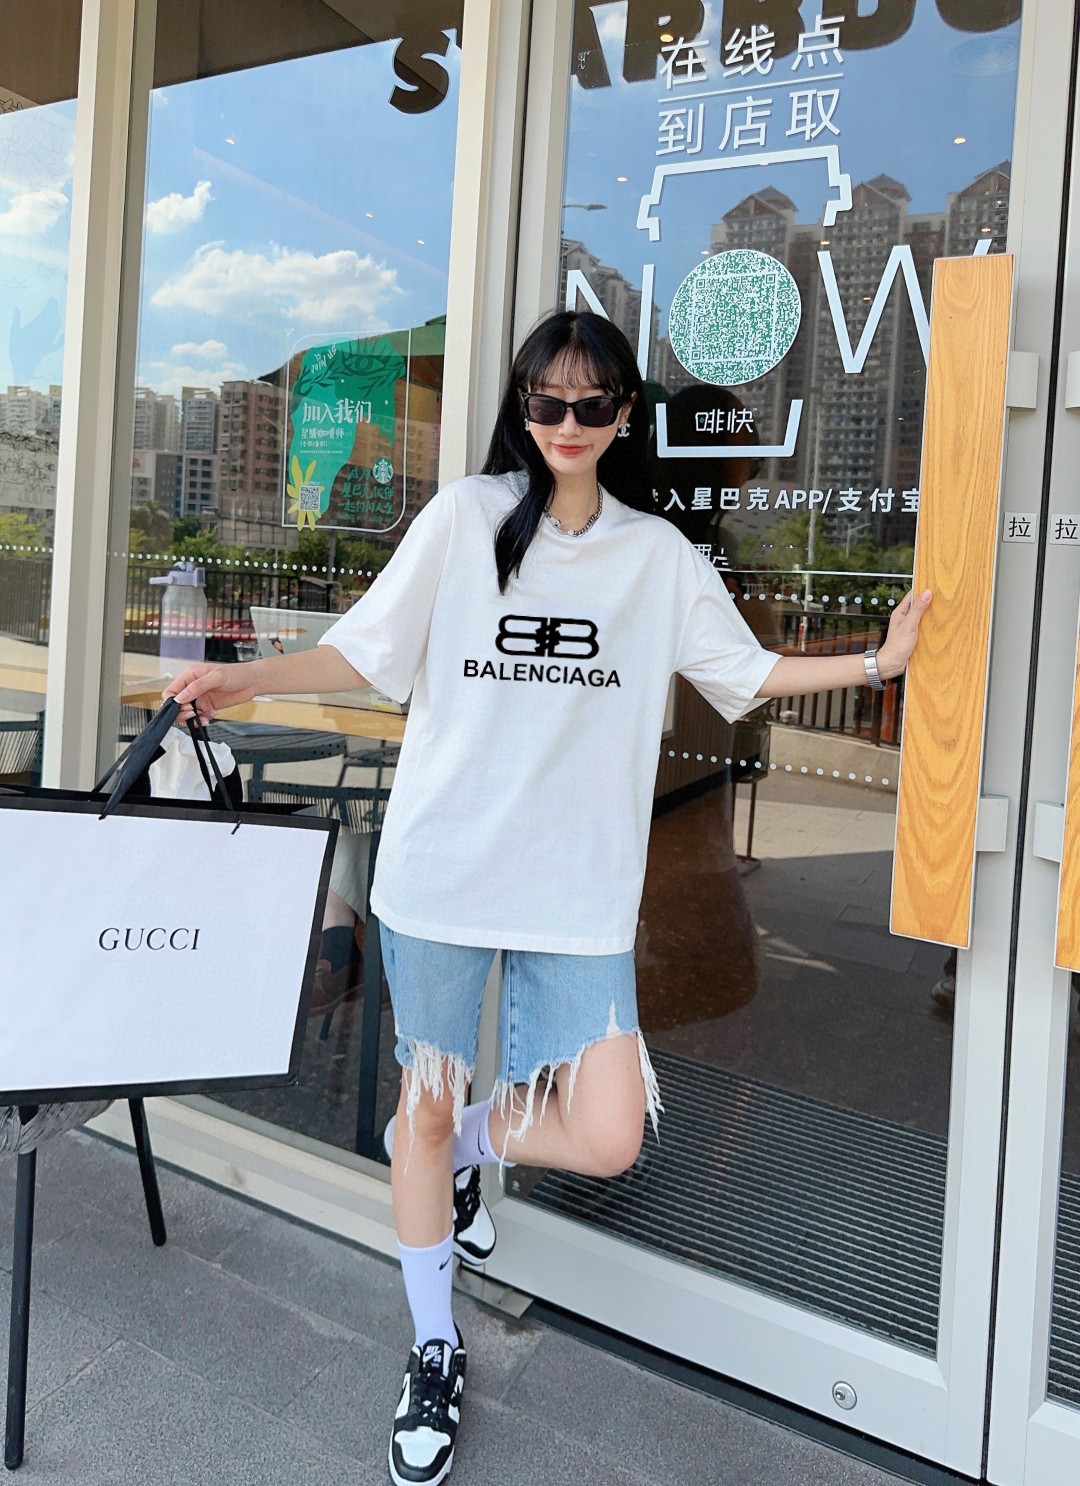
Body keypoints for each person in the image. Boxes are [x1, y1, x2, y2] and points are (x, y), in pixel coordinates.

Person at [165, 311, 931, 1486]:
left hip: (576, 894)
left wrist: (880, 661)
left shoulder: (655, 556)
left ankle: (449, 1143)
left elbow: (748, 674)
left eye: (591, 404)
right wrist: (245, 677)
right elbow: (368, 652)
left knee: (609, 1134)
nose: (566, 424)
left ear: (623, 417)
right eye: (545, 401)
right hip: (443, 875)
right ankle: (433, 1342)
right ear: (522, 407)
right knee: (425, 1101)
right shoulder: (465, 518)